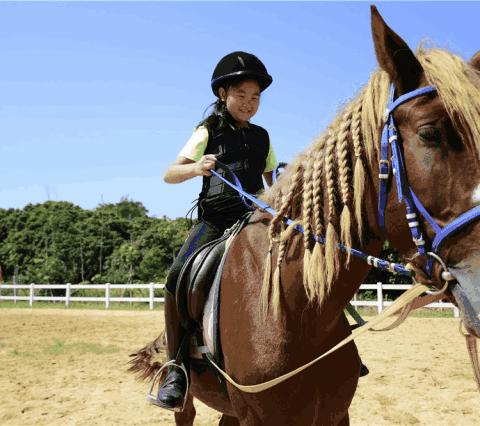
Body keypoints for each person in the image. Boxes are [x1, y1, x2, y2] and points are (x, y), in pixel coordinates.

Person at [154, 51, 277, 411]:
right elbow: (169, 173)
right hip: (215, 222)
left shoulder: (263, 137)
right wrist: (197, 168)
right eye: (242, 95)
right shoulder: (207, 131)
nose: (250, 104)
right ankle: (177, 366)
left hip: (254, 222)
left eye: (255, 97)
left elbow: (272, 183)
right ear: (223, 93)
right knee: (177, 276)